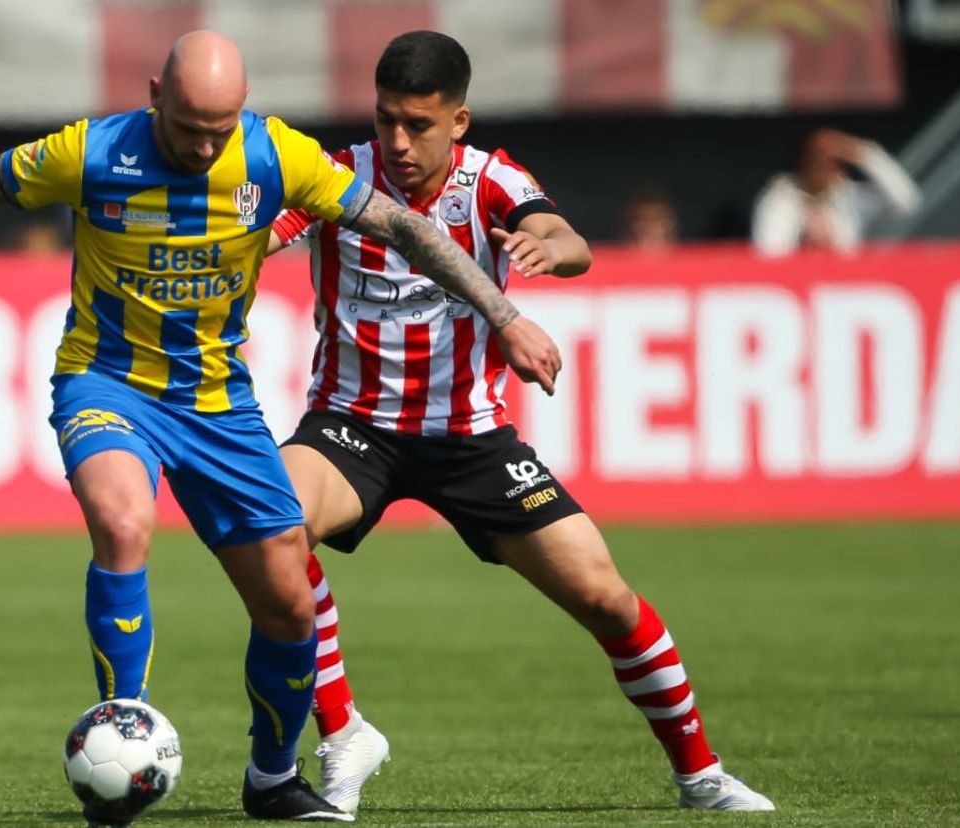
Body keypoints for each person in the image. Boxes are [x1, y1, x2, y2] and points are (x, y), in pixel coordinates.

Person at [0, 30, 561, 825]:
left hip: (217, 403)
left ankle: (272, 779)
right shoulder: (92, 151)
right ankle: (123, 723)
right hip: (107, 382)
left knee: (288, 604)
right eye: (189, 128)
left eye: (222, 128)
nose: (207, 147)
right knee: (122, 521)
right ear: (154, 97)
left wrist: (504, 313)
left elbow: (403, 228)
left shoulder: (276, 155)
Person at [272, 31, 775, 814]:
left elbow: (563, 237)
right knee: (274, 524)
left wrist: (547, 250)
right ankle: (343, 736)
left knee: (607, 598)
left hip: (473, 439)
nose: (398, 143)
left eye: (419, 125)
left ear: (459, 121)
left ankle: (700, 775)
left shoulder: (492, 182)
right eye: (385, 122)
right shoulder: (337, 177)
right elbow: (265, 231)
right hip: (351, 426)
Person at [751, 127, 920, 257]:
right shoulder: (779, 200)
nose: (827, 167)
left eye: (835, 161)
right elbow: (769, 257)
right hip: (799, 288)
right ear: (802, 161)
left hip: (848, 288)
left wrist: (864, 153)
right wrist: (806, 242)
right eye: (818, 158)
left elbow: (908, 201)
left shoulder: (849, 197)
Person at [616, 186, 678, 253]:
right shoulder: (611, 260)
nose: (649, 227)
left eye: (657, 217)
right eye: (640, 219)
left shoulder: (686, 259)